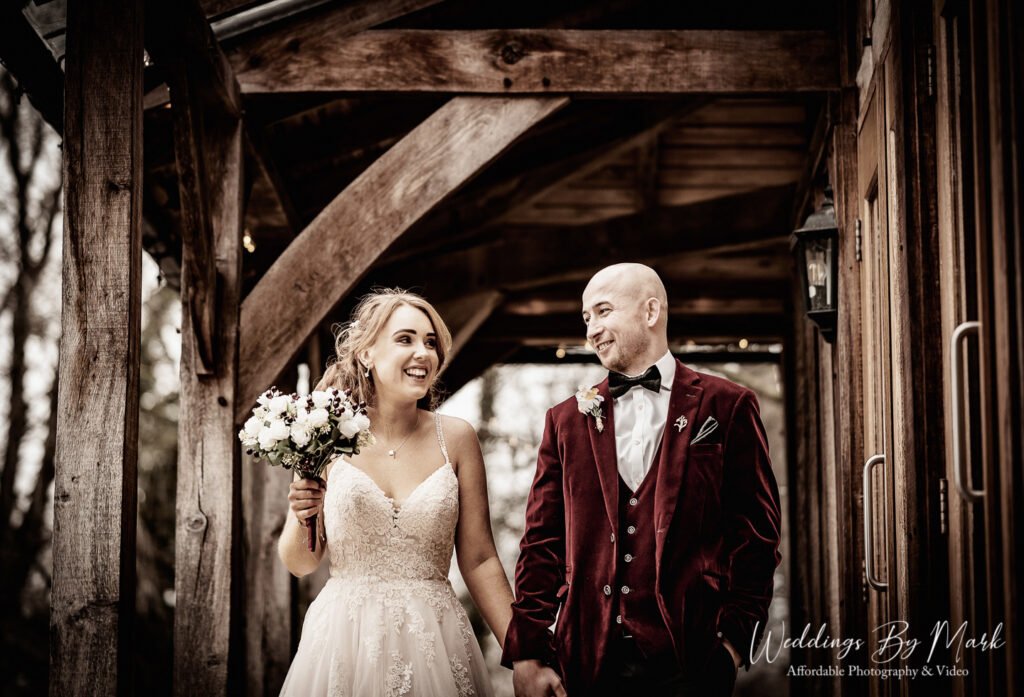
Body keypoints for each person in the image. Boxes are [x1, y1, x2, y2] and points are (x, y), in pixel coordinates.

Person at [502, 263, 782, 697]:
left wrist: (733, 644)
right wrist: (527, 653)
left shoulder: (728, 405)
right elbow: (542, 542)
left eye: (603, 311)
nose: (591, 329)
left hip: (692, 660)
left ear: (650, 311)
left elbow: (756, 536)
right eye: (586, 318)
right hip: (587, 661)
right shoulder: (565, 420)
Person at [277, 289, 511, 697]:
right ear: (367, 353)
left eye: (431, 342)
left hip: (436, 640)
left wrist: (525, 653)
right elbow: (300, 562)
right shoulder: (325, 436)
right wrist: (302, 516)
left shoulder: (456, 438)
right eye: (405, 339)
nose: (423, 352)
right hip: (343, 640)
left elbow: (480, 558)